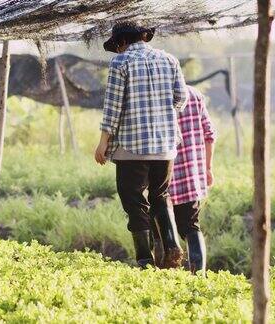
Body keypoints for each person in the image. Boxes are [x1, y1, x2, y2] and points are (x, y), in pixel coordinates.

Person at [95, 21, 188, 269]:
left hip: (131, 146)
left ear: (122, 41)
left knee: (133, 199)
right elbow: (182, 98)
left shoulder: (121, 62)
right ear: (143, 38)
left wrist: (103, 142)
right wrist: (161, 113)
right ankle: (171, 245)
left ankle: (144, 260)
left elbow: (113, 107)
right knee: (160, 195)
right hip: (165, 144)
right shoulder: (169, 60)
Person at [151, 85, 215, 275]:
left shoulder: (156, 95)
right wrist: (208, 168)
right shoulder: (195, 94)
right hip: (190, 175)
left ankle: (164, 275)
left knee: (158, 228)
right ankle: (199, 275)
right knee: (191, 227)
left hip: (162, 174)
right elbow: (209, 134)